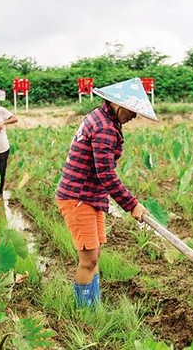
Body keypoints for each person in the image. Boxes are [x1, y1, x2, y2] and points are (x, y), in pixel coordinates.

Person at [55, 78, 158, 307]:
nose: (134, 117)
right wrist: (132, 205)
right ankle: (84, 312)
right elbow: (106, 175)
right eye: (133, 111)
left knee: (94, 256)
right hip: (79, 197)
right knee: (88, 260)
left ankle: (94, 304)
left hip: (90, 196)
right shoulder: (104, 128)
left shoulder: (101, 117)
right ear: (119, 105)